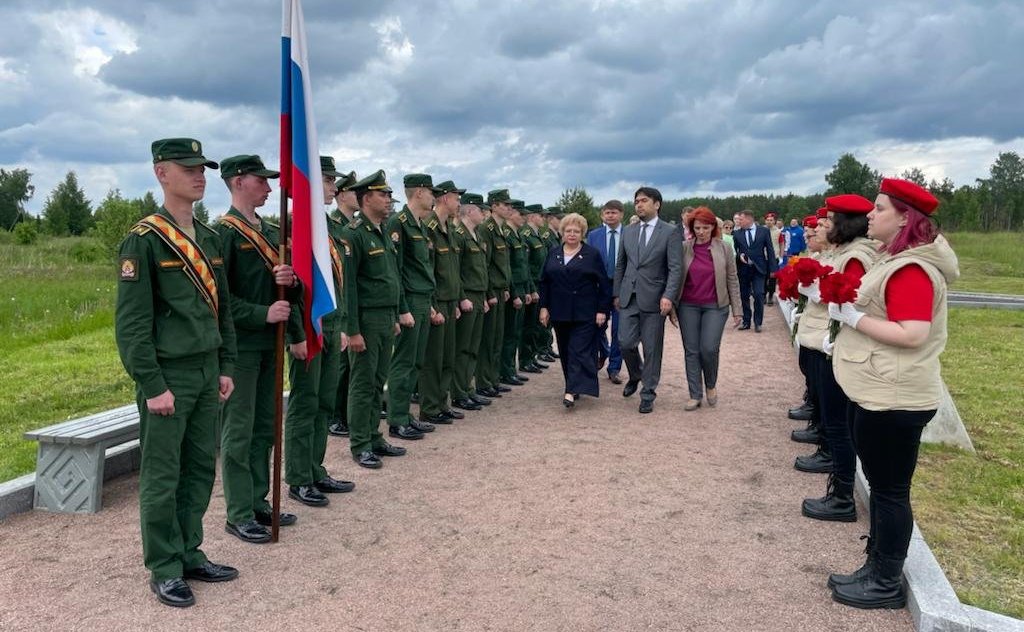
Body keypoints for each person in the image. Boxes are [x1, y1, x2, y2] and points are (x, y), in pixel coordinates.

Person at [115, 138, 238, 607]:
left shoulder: (208, 238)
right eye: (188, 168)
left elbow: (222, 311)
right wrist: (152, 385)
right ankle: (164, 566)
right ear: (161, 173)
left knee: (200, 468)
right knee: (163, 474)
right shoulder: (144, 240)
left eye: (202, 169)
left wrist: (225, 365)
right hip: (169, 375)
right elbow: (132, 325)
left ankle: (190, 551)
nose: (199, 176)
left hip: (207, 371)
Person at [826, 178, 958, 609]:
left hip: (896, 397)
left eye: (879, 208)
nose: (870, 214)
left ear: (905, 219)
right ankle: (876, 566)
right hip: (882, 389)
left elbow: (912, 333)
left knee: (890, 491)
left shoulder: (912, 269)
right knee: (884, 488)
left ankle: (885, 580)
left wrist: (854, 318)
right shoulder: (895, 260)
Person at [215, 155, 302, 543]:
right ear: (238, 182)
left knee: (265, 426)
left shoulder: (271, 232)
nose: (269, 188)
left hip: (271, 343)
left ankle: (257, 500)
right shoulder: (224, 234)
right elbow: (219, 299)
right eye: (261, 181)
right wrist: (261, 313)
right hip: (241, 348)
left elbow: (290, 291)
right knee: (239, 430)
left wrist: (291, 281)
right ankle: (238, 511)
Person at [793, 195, 878, 522]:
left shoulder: (854, 257)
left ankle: (842, 496)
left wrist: (817, 292)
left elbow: (848, 298)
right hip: (828, 339)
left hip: (836, 344)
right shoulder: (842, 253)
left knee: (838, 424)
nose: (820, 227)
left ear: (844, 224)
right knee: (831, 417)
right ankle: (837, 484)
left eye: (828, 222)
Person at [284, 156, 354, 508]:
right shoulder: (297, 227)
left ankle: (315, 468)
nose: (333, 188)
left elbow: (336, 283)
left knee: (324, 401)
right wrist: (296, 334)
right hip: (309, 329)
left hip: (332, 324)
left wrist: (340, 325)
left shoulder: (328, 229)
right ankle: (299, 477)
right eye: (327, 181)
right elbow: (293, 289)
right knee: (305, 403)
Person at [340, 170, 405, 469]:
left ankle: (374, 436)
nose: (389, 199)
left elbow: (390, 278)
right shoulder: (354, 234)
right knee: (363, 383)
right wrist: (352, 330)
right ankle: (360, 443)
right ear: (367, 198)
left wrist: (394, 315)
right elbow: (349, 288)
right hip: (365, 320)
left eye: (389, 194)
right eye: (383, 194)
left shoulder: (382, 232)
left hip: (384, 317)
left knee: (379, 381)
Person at [613, 187, 683, 414]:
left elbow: (675, 268)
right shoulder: (628, 231)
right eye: (636, 202)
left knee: (652, 348)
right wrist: (617, 293)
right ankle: (636, 374)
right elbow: (621, 264)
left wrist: (668, 296)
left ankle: (648, 393)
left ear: (657, 204)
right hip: (629, 296)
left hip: (655, 299)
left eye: (643, 201)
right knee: (625, 342)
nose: (639, 205)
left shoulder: (670, 232)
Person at [386, 174, 441, 440]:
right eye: (431, 192)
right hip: (409, 301)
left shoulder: (420, 224)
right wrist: (402, 308)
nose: (434, 198)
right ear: (419, 192)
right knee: (404, 362)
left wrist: (429, 303)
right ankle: (397, 419)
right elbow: (396, 271)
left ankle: (406, 415)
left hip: (422, 299)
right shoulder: (399, 223)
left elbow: (423, 268)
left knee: (416, 362)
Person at [538, 213, 611, 407]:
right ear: (562, 232)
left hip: (585, 312)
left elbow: (604, 284)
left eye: (576, 231)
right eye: (568, 231)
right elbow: (544, 282)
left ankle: (570, 391)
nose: (572, 234)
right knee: (565, 350)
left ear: (582, 233)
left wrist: (602, 310)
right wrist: (544, 307)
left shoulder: (592, 254)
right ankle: (573, 385)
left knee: (578, 350)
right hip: (559, 311)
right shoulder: (553, 252)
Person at [672, 206, 741, 411]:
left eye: (705, 227)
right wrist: (672, 307)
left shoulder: (724, 248)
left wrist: (737, 309)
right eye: (697, 228)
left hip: (715, 306)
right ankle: (695, 394)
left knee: (709, 348)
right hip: (687, 305)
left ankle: (710, 384)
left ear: (713, 227)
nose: (701, 232)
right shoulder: (684, 248)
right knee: (691, 350)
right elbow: (674, 276)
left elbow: (732, 278)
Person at [418, 180, 469, 424]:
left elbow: (454, 270)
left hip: (450, 301)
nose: (459, 203)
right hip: (437, 302)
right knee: (433, 360)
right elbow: (427, 271)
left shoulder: (448, 228)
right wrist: (433, 306)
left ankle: (441, 402)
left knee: (448, 357)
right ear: (445, 198)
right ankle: (429, 407)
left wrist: (457, 300)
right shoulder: (429, 227)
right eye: (456, 198)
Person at [450, 195, 491, 410]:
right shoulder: (459, 235)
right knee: (463, 347)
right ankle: (459, 392)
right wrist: (462, 297)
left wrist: (483, 297)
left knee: (474, 346)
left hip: (478, 295)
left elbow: (481, 269)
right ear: (469, 211)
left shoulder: (477, 235)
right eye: (479, 210)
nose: (483, 214)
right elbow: (455, 270)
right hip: (467, 296)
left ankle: (468, 389)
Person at [327, 170, 358, 438]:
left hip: (349, 302)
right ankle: (335, 415)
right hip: (337, 304)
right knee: (340, 366)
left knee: (349, 366)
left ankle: (346, 412)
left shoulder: (351, 226)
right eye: (354, 191)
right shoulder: (335, 225)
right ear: (343, 195)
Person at [475, 189, 513, 399]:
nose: (509, 208)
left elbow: (503, 264)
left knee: (498, 337)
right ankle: (484, 381)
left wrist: (505, 288)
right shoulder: (486, 229)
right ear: (494, 206)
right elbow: (486, 265)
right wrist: (489, 292)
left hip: (500, 289)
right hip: (491, 290)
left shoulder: (501, 229)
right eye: (505, 205)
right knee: (488, 339)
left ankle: (493, 379)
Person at [587, 200, 625, 384]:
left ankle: (614, 368)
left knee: (619, 330)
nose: (610, 215)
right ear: (602, 215)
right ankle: (603, 353)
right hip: (598, 288)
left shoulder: (630, 234)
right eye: (607, 212)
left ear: (621, 215)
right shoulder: (594, 235)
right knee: (596, 326)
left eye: (614, 212)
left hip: (622, 288)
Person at [500, 199, 532, 385]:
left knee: (516, 332)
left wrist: (526, 290)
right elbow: (508, 268)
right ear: (512, 214)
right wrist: (514, 294)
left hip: (521, 287)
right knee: (510, 333)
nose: (524, 218)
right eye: (521, 214)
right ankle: (505, 371)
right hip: (513, 288)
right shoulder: (507, 235)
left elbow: (523, 267)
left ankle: (510, 369)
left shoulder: (517, 235)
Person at [733, 209, 777, 332]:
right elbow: (734, 251)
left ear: (749, 219)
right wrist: (739, 256)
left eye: (741, 219)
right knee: (744, 296)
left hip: (759, 269)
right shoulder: (737, 234)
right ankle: (746, 321)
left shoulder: (763, 231)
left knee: (758, 294)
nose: (738, 222)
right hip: (743, 269)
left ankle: (758, 322)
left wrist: (773, 268)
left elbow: (770, 250)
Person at [519, 204, 549, 374]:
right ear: (531, 217)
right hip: (532, 285)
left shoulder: (537, 235)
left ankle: (532, 357)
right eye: (540, 215)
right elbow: (527, 266)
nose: (543, 218)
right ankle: (525, 359)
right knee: (529, 326)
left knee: (536, 324)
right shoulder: (526, 235)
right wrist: (530, 289)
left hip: (539, 283)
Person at [764, 212, 783, 305]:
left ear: (774, 221)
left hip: (774, 257)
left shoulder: (778, 232)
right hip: (763, 257)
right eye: (767, 220)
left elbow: (781, 244)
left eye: (771, 220)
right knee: (763, 277)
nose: (769, 222)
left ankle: (771, 295)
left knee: (772, 278)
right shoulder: (761, 230)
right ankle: (763, 295)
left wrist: (781, 256)